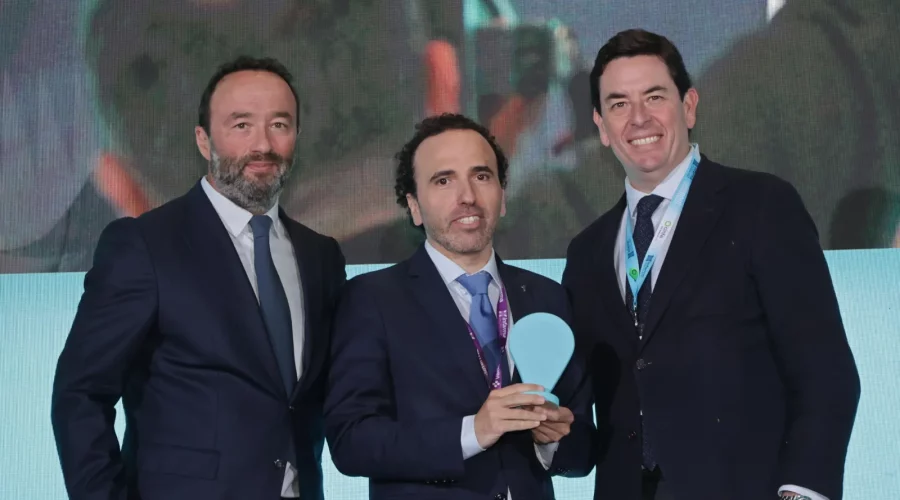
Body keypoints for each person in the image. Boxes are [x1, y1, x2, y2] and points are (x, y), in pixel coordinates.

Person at [562, 29, 861, 500]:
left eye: (654, 97)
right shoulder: (586, 252)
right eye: (618, 104)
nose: (638, 118)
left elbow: (825, 374)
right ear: (600, 126)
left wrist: (802, 493)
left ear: (689, 105)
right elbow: (593, 414)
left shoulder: (762, 205)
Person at [50, 56, 346, 500]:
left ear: (296, 137)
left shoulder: (321, 256)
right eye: (241, 125)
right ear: (204, 141)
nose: (262, 144)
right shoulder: (144, 245)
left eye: (279, 125)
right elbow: (79, 394)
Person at [323, 113, 595, 499]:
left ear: (502, 195)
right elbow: (351, 442)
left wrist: (553, 442)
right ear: (414, 206)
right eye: (443, 180)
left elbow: (582, 451)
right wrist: (472, 432)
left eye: (482, 176)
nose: (467, 195)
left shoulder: (549, 297)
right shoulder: (371, 299)